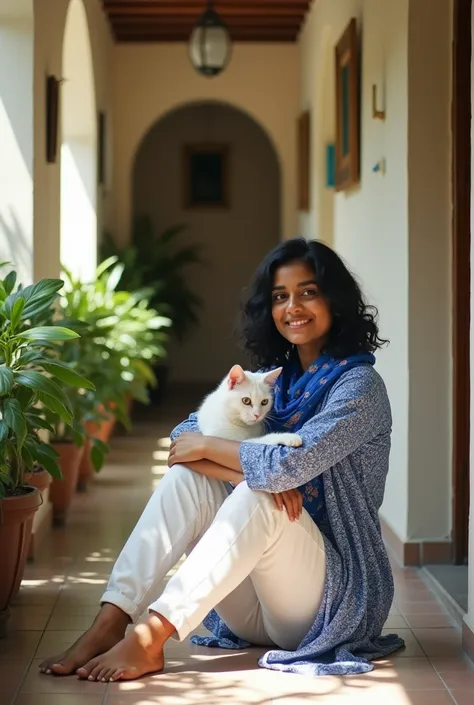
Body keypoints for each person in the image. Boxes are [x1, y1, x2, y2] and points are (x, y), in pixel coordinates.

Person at [39, 237, 404, 682]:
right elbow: (181, 441)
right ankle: (110, 621)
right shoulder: (274, 380)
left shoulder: (359, 388)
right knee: (190, 482)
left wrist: (216, 450)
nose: (293, 306)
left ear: (336, 300)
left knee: (261, 493)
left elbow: (283, 466)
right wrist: (245, 466)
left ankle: (151, 638)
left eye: (308, 292)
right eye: (280, 296)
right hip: (248, 608)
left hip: (327, 603)